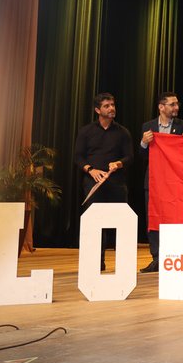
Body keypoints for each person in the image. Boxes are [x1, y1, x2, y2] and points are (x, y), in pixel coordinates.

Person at [74, 93, 133, 271]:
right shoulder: (86, 131)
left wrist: (119, 163)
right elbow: (78, 157)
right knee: (95, 222)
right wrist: (91, 170)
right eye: (107, 106)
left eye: (113, 105)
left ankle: (124, 264)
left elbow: (130, 157)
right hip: (94, 183)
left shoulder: (123, 132)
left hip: (117, 183)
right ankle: (96, 262)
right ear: (97, 110)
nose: (111, 108)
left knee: (121, 222)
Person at [139, 91, 183, 273]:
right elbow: (142, 156)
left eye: (177, 104)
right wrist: (144, 143)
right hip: (154, 181)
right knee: (154, 218)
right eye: (172, 104)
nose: (176, 107)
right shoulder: (148, 126)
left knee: (176, 217)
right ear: (161, 107)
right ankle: (156, 258)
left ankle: (176, 256)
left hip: (175, 182)